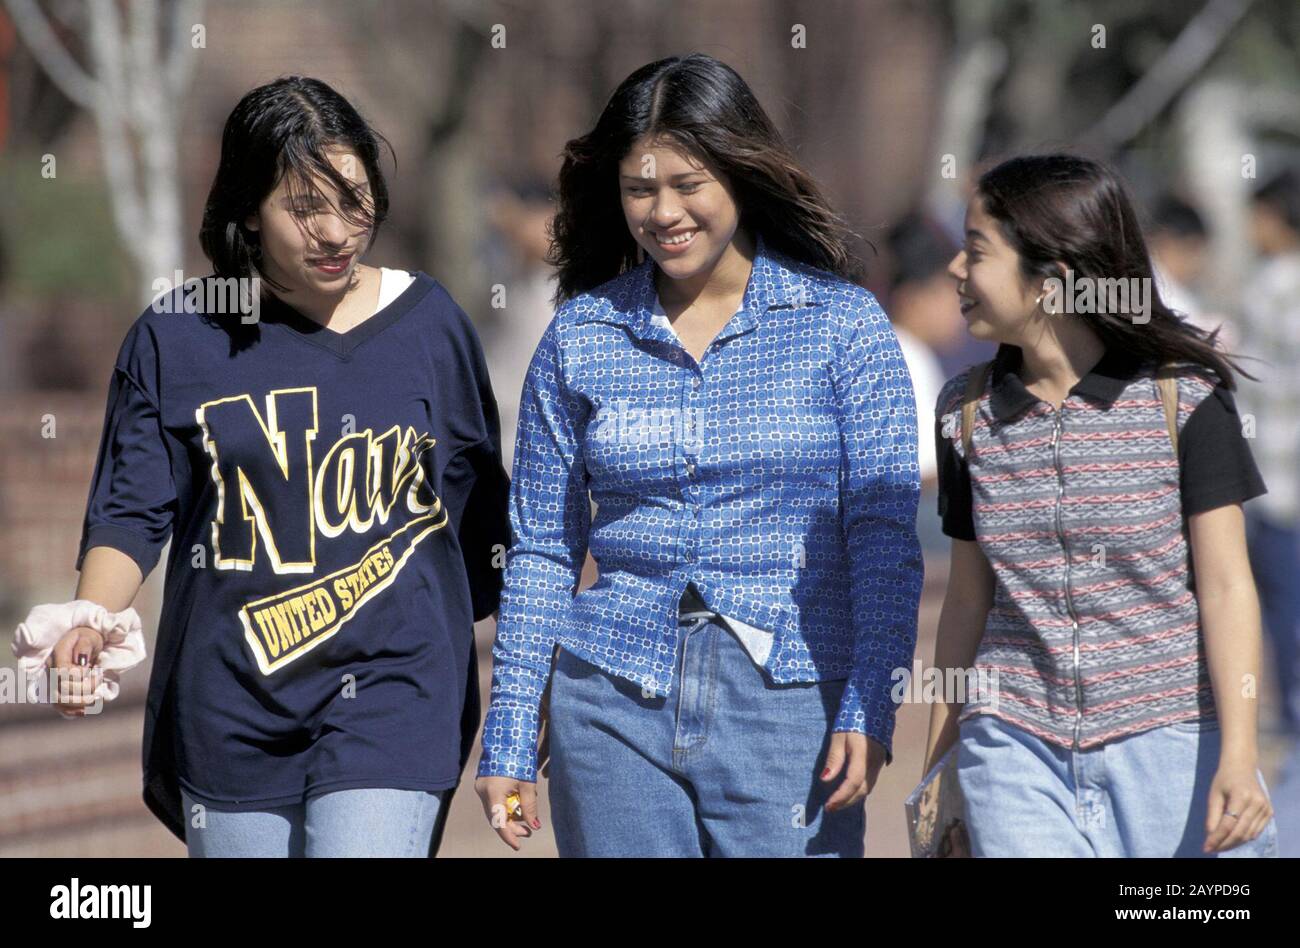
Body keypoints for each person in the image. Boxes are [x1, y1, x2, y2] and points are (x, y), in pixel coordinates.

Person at [44, 76, 510, 857]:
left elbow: (479, 521)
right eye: (303, 207)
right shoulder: (179, 336)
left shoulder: (430, 326)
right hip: (232, 700)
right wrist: (89, 619)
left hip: (395, 694)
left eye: (355, 200)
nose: (336, 231)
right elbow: (131, 509)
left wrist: (517, 681)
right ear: (247, 211)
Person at [474, 52, 923, 858]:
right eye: (640, 190)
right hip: (609, 698)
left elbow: (884, 534)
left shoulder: (843, 327)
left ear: (743, 175)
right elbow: (542, 546)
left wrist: (870, 701)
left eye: (689, 184)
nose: (664, 213)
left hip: (791, 703)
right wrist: (509, 734)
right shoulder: (581, 336)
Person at [924, 153, 1278, 858]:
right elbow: (968, 599)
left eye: (976, 252)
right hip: (1014, 749)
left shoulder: (1185, 398)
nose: (956, 272)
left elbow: (1228, 583)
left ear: (1051, 280)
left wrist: (1239, 755)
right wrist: (942, 764)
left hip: (1172, 750)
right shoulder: (964, 414)